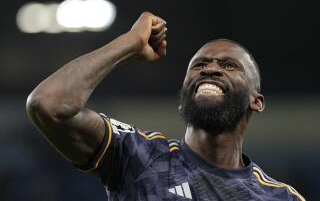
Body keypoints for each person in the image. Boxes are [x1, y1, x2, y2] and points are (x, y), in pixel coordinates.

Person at [26, 12, 305, 200]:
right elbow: (49, 104)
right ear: (184, 91)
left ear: (256, 101)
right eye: (199, 65)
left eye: (229, 65)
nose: (210, 69)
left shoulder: (280, 197)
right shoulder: (139, 156)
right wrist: (130, 43)